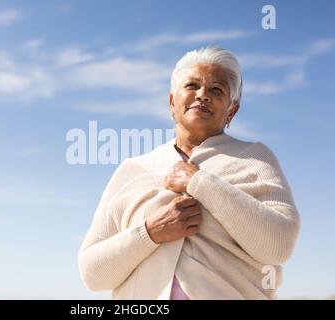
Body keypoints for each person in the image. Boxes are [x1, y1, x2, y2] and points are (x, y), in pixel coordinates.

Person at [78, 46, 300, 299]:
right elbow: (92, 275)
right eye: (192, 85)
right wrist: (150, 232)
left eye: (217, 90)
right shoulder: (133, 169)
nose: (203, 95)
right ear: (172, 102)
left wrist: (199, 182)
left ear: (232, 110)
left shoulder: (254, 158)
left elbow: (279, 246)